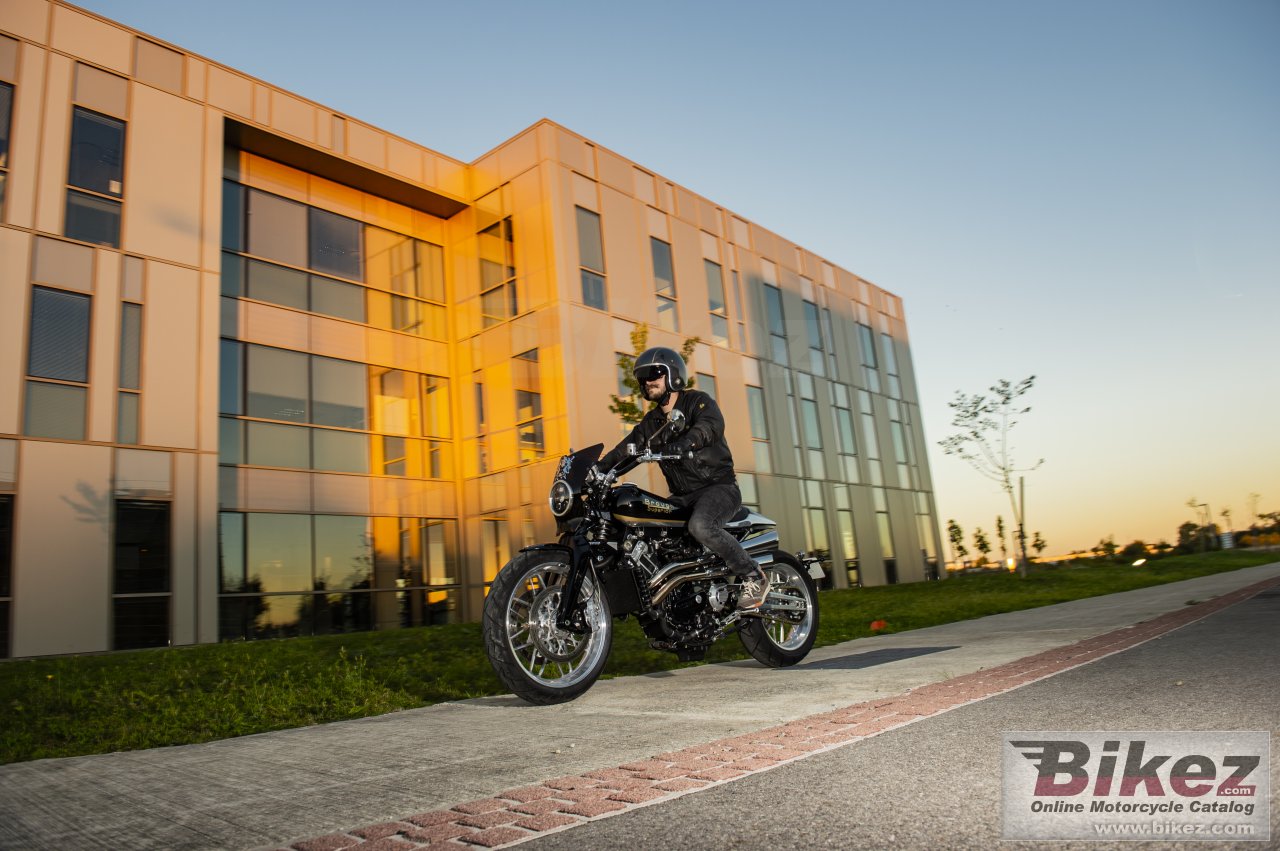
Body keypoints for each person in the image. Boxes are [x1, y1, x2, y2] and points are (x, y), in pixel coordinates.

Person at [597, 347, 770, 609]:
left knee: (700, 526)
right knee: (654, 533)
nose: (647, 381)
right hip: (682, 496)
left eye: (654, 374)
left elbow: (710, 426)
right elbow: (626, 450)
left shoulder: (698, 402)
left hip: (718, 488)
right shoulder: (652, 422)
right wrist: (598, 470)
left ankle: (752, 574)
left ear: (673, 374)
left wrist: (686, 442)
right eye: (642, 377)